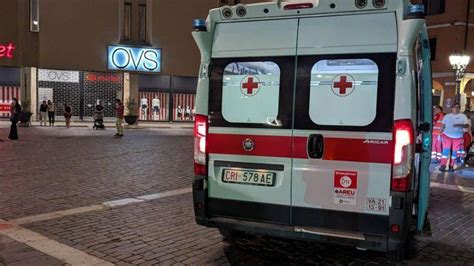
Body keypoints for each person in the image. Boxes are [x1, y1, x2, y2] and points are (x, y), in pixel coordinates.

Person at [439, 103, 469, 172]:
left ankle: (451, 166)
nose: (456, 108)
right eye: (455, 107)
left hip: (458, 137)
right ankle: (443, 166)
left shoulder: (463, 116)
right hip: (446, 136)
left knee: (454, 153)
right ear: (452, 108)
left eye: (458, 107)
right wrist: (440, 134)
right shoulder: (447, 116)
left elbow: (466, 125)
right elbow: (443, 125)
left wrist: (458, 125)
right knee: (445, 152)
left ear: (460, 108)